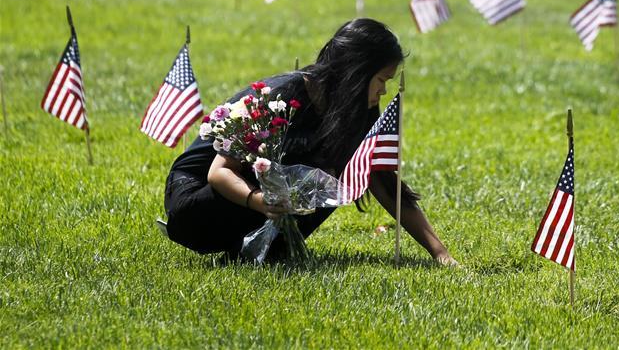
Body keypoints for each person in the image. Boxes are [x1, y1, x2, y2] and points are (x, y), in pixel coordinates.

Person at [163, 18, 456, 266]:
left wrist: (441, 255)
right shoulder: (277, 96)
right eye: (381, 80)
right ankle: (251, 246)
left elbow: (380, 180)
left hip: (254, 202)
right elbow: (218, 173)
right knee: (316, 173)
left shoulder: (357, 110)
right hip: (196, 202)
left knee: (336, 179)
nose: (382, 91)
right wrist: (260, 201)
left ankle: (263, 251)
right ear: (357, 73)